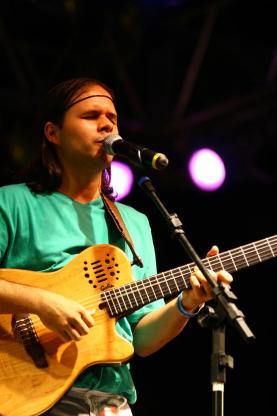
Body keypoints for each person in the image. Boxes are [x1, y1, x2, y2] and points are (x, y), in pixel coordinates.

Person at [0, 77, 233, 416]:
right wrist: (41, 302)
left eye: (112, 116)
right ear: (53, 133)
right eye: (91, 115)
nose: (107, 123)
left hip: (110, 405)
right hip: (28, 398)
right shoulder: (12, 204)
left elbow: (142, 339)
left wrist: (188, 302)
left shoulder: (134, 222)